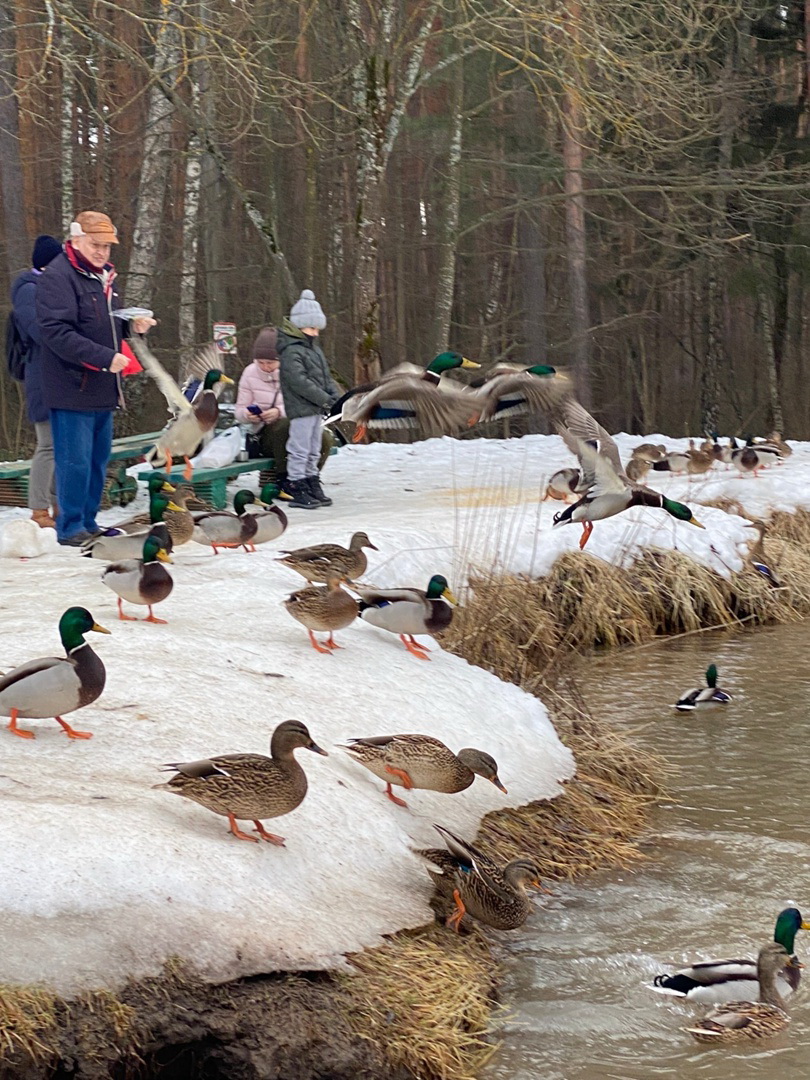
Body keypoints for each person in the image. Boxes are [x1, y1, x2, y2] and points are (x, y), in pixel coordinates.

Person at [35, 211, 156, 545]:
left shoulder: (103, 277)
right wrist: (105, 358)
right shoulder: (58, 276)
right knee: (74, 462)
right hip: (73, 386)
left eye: (107, 246)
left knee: (97, 461)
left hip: (104, 388)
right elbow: (56, 332)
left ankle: (88, 522)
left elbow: (105, 324)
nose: (102, 252)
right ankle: (70, 527)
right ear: (76, 240)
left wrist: (131, 327)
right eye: (95, 244)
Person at [234, 326, 334, 490]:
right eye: (261, 363)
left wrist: (279, 411)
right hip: (264, 435)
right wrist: (247, 415)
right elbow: (239, 411)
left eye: (271, 363)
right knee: (285, 427)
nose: (265, 367)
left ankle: (310, 477)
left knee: (323, 438)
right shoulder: (249, 373)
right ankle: (286, 480)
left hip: (297, 426)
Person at [9, 235, 64, 528]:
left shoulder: (49, 288)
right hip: (41, 375)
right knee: (48, 445)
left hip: (56, 375)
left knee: (60, 445)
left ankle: (57, 504)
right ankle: (39, 509)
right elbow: (39, 330)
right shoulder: (29, 290)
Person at [276, 291, 342, 509]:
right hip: (301, 409)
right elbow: (300, 382)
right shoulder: (291, 352)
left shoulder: (314, 350)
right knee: (300, 448)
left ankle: (311, 480)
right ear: (299, 327)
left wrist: (335, 399)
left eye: (317, 329)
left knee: (314, 448)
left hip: (316, 409)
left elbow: (325, 377)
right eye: (311, 328)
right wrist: (325, 400)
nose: (315, 333)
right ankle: (296, 484)